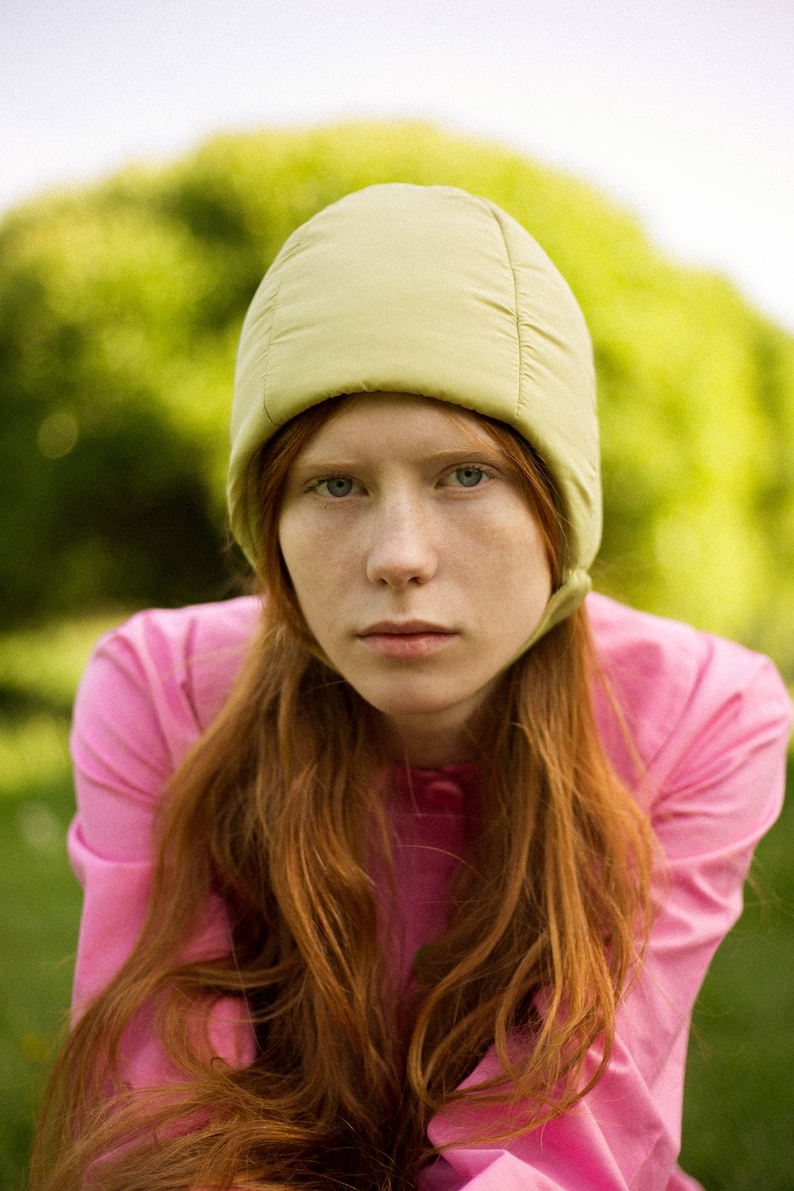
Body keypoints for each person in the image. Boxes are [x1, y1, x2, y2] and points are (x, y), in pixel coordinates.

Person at [35, 184, 791, 1191]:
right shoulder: (160, 692)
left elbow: (566, 1147)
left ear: (559, 507)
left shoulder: (705, 715)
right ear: (270, 524)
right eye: (333, 484)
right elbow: (162, 1118)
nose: (398, 557)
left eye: (463, 475)